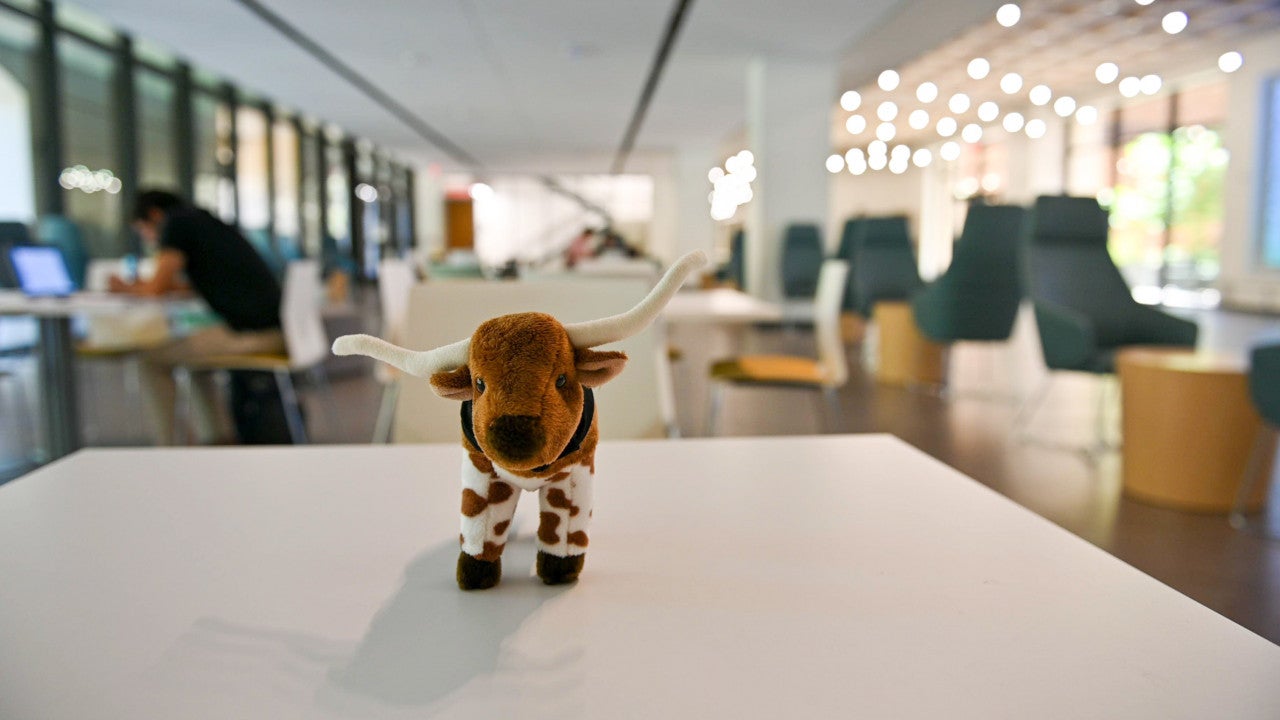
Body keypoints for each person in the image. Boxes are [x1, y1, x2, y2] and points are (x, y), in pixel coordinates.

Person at [111, 190, 285, 445]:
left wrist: (122, 287)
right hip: (274, 329)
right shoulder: (205, 222)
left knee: (150, 359)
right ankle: (217, 437)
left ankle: (172, 447)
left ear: (154, 215)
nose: (148, 239)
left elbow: (155, 287)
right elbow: (195, 284)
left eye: (143, 230)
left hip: (251, 334)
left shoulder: (176, 224)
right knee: (195, 359)